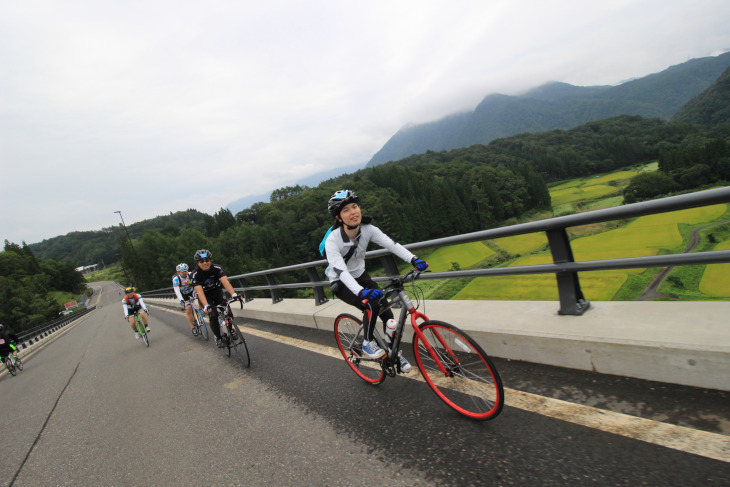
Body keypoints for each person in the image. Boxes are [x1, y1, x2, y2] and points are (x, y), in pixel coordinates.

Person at [323, 189, 429, 373]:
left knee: (387, 313)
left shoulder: (368, 229)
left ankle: (392, 352)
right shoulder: (333, 240)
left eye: (355, 206)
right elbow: (340, 270)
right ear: (339, 218)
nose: (353, 212)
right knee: (371, 304)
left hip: (362, 276)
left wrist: (414, 259)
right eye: (346, 210)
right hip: (341, 282)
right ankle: (367, 342)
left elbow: (392, 245)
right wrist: (360, 292)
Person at [190, 249, 242, 348]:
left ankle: (231, 329)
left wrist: (234, 294)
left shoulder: (217, 268)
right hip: (205, 296)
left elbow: (225, 282)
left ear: (210, 260)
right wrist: (205, 306)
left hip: (217, 292)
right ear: (197, 263)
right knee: (213, 315)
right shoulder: (194, 274)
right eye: (202, 261)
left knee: (227, 310)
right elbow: (199, 291)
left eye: (207, 260)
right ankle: (218, 337)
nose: (205, 263)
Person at [172, 263, 198, 336]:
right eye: (182, 271)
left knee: (201, 297)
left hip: (192, 291)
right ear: (178, 272)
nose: (184, 272)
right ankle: (193, 328)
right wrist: (181, 300)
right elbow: (176, 290)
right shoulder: (176, 279)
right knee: (188, 310)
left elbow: (196, 284)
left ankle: (200, 311)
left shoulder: (190, 274)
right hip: (184, 295)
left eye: (185, 270)